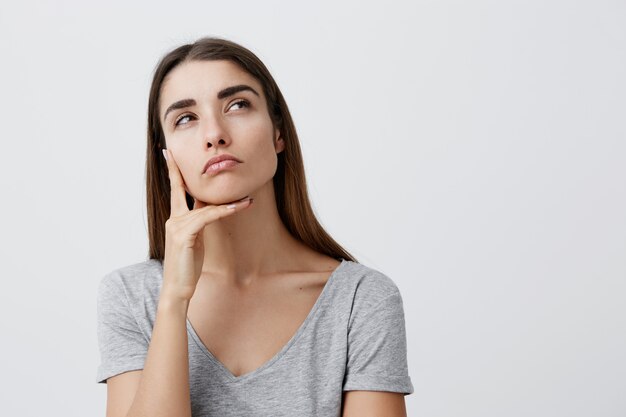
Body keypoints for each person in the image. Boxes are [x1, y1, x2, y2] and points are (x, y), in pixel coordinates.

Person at [96, 36, 414, 417]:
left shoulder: (361, 301)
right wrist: (174, 299)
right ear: (165, 155)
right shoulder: (132, 297)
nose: (214, 133)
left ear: (278, 132)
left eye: (237, 105)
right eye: (186, 118)